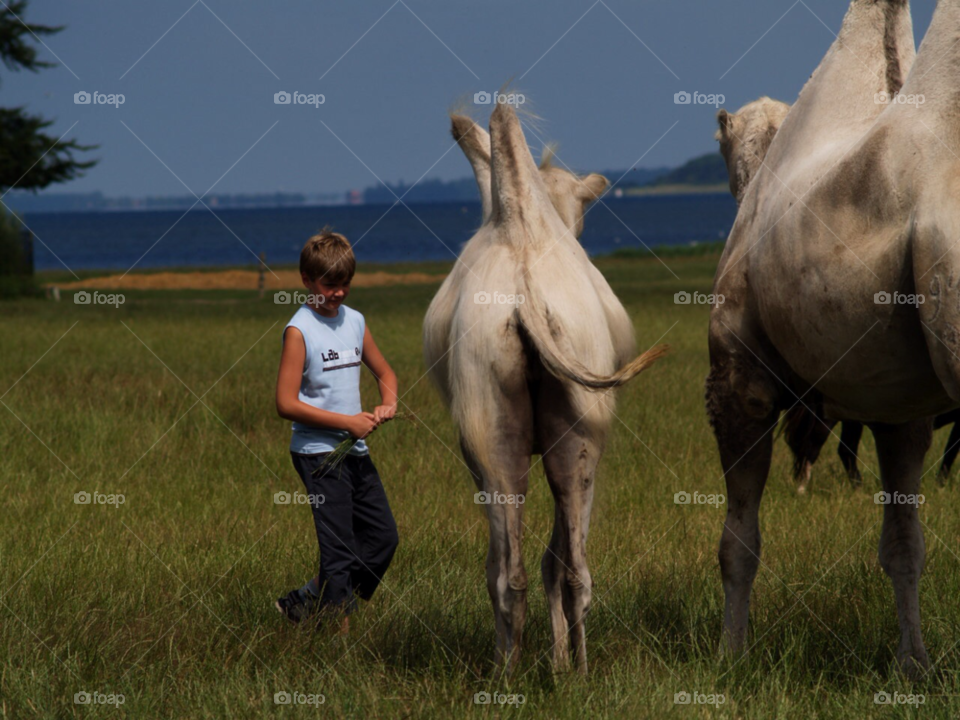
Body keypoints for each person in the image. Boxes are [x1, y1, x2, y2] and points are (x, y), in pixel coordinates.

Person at [274, 229, 399, 634]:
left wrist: (388, 402)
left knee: (383, 539)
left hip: (355, 452)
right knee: (339, 550)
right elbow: (286, 403)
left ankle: (305, 599)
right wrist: (348, 422)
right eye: (330, 285)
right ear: (307, 281)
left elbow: (385, 372)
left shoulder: (356, 321)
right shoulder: (299, 331)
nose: (339, 293)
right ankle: (337, 646)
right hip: (317, 454)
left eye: (345, 284)